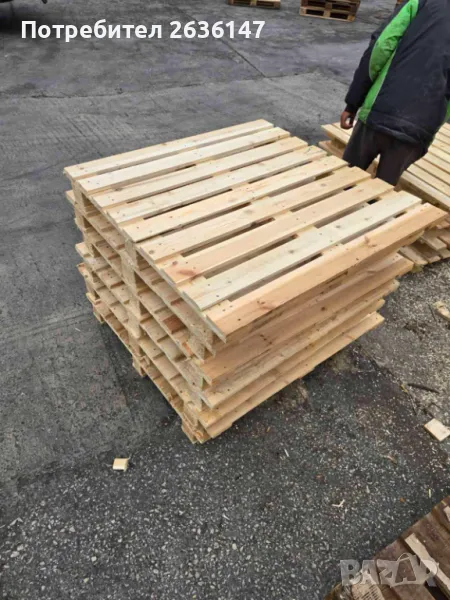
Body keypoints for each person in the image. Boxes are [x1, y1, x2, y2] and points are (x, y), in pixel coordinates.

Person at [340, 0, 450, 185]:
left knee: (344, 180)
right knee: (382, 192)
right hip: (419, 130)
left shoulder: (420, 2)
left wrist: (353, 102)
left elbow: (381, 47)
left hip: (380, 111)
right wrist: (431, 124)